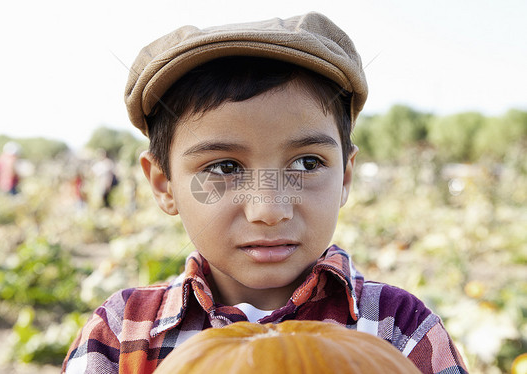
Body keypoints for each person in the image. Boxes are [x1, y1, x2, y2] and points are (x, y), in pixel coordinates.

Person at [62, 13, 467, 373]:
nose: (269, 210)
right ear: (164, 185)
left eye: (306, 164)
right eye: (224, 168)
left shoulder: (399, 330)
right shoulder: (120, 336)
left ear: (345, 177)